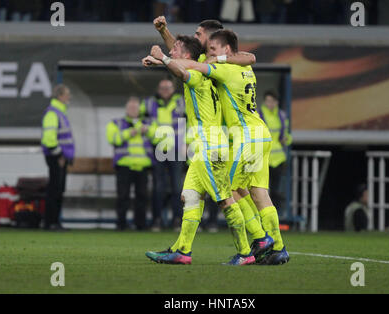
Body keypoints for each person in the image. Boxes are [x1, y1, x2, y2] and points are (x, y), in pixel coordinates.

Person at [152, 16, 272, 258]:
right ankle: (182, 251)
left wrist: (164, 59)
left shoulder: (203, 71)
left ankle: (252, 246)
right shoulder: (205, 64)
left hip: (212, 144)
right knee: (190, 196)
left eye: (198, 34)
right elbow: (181, 55)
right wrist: (163, 46)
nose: (196, 37)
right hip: (207, 144)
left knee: (227, 198)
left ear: (211, 37)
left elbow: (249, 57)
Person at [170, 30, 290, 265]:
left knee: (230, 189)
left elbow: (193, 66)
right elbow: (250, 57)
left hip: (245, 135)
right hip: (261, 133)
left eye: (211, 46)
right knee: (259, 193)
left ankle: (261, 238)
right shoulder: (244, 67)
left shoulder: (224, 69)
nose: (210, 51)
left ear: (224, 48)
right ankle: (278, 248)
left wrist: (164, 59)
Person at [141, 77, 185, 231]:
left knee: (177, 187)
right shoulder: (149, 103)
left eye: (168, 88)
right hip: (158, 148)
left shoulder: (182, 101)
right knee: (158, 187)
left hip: (177, 149)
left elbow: (190, 122)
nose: (165, 91)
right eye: (162, 88)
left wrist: (186, 143)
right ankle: (157, 220)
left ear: (173, 89)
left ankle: (177, 220)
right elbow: (144, 124)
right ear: (158, 90)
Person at [106, 97, 155, 231]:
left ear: (140, 109)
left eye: (135, 108)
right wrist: (129, 133)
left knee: (142, 197)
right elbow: (113, 139)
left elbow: (159, 137)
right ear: (126, 109)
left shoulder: (148, 123)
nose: (133, 110)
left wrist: (148, 131)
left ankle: (141, 225)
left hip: (143, 166)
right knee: (123, 196)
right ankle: (121, 224)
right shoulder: (116, 123)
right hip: (124, 165)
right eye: (131, 108)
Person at [41, 84, 75, 231]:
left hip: (60, 157)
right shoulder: (53, 113)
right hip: (56, 157)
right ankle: (51, 223)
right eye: (67, 94)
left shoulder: (59, 113)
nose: (69, 97)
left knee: (58, 190)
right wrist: (60, 155)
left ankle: (54, 222)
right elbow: (49, 139)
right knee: (54, 190)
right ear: (60, 96)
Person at [257, 90, 292, 212]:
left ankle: (275, 218)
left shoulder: (282, 116)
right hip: (262, 158)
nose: (269, 103)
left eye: (272, 101)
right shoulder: (258, 115)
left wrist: (286, 139)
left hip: (278, 159)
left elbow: (287, 136)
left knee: (276, 191)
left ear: (276, 102)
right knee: (261, 190)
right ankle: (262, 216)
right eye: (267, 101)